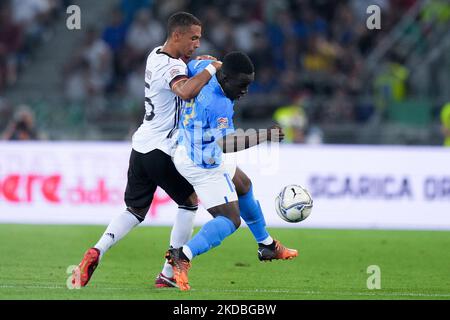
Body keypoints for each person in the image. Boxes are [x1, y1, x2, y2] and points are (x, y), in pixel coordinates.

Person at [71, 12, 222, 288]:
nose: (198, 44)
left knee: (134, 209)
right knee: (188, 201)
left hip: (140, 146)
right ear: (177, 35)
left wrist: (198, 63)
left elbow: (181, 66)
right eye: (194, 38)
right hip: (161, 149)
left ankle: (97, 249)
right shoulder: (172, 68)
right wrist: (212, 68)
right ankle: (168, 271)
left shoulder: (155, 54)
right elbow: (186, 91)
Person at [167, 51, 297, 291]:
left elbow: (191, 63)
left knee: (243, 184)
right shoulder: (219, 104)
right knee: (230, 219)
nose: (245, 91)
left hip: (190, 144)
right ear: (225, 78)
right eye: (242, 84)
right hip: (201, 161)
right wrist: (266, 135)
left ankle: (266, 245)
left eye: (249, 84)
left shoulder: (207, 66)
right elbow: (226, 144)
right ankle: (182, 255)